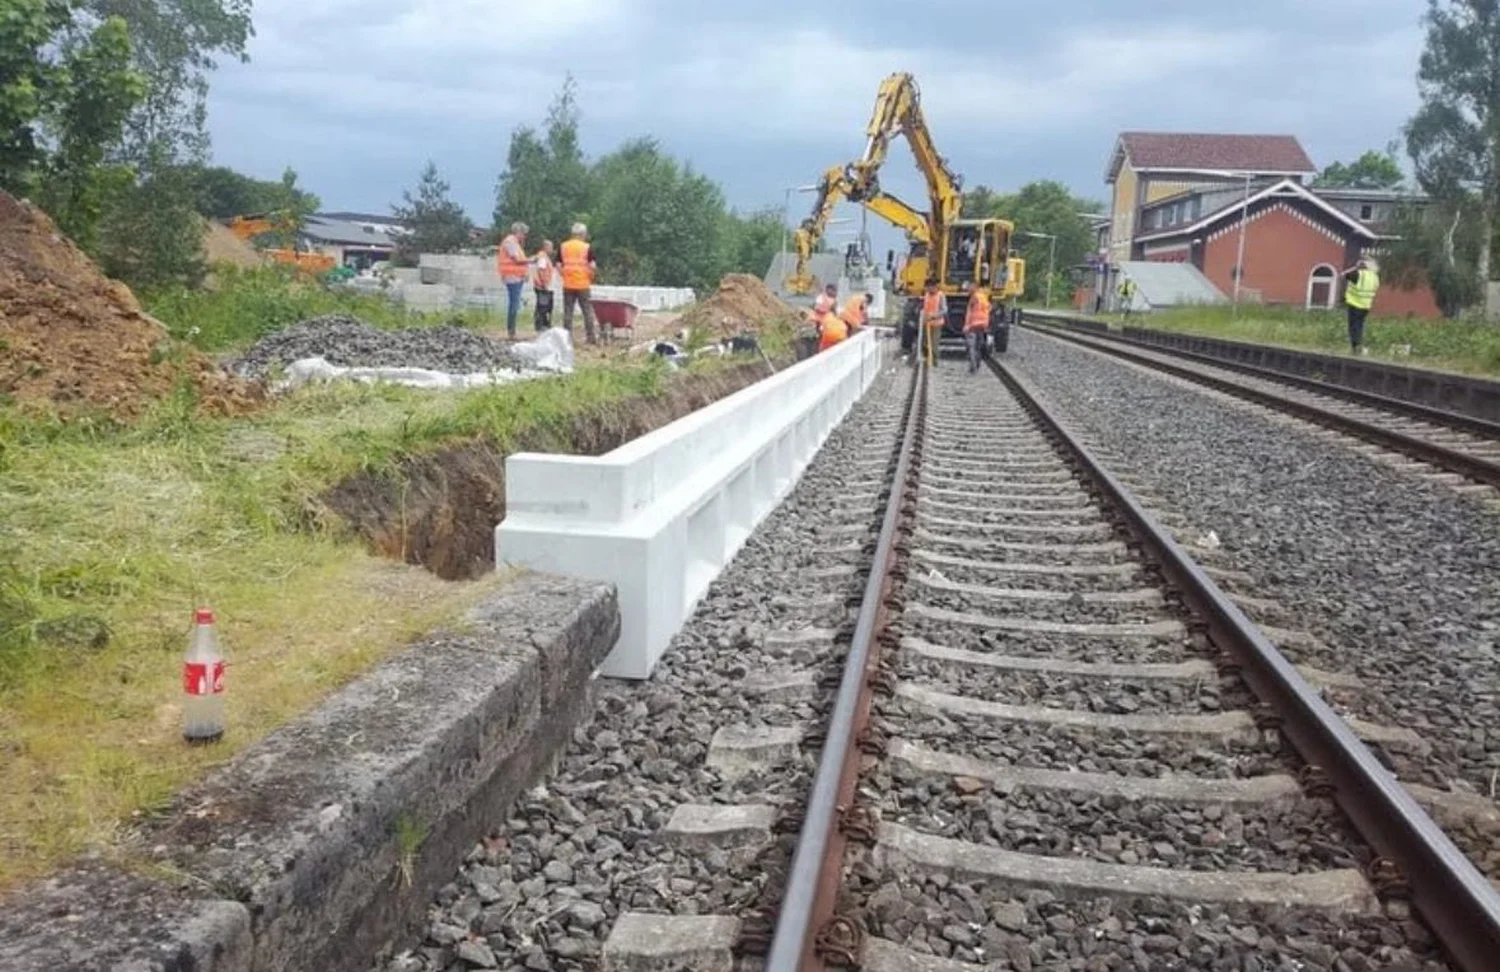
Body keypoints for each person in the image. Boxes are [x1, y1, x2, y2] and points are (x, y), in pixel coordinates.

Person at [560, 223, 598, 344]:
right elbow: (592, 265)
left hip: (568, 284)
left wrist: (564, 275)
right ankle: (591, 337)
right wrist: (591, 276)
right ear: (582, 234)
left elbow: (558, 264)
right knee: (587, 311)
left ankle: (567, 339)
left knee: (568, 312)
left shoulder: (563, 246)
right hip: (583, 284)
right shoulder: (586, 247)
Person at [497, 221, 530, 339]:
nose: (524, 236)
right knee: (514, 304)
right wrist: (532, 260)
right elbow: (517, 260)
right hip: (512, 277)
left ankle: (512, 330)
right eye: (524, 233)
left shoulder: (514, 243)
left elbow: (519, 261)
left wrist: (524, 273)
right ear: (518, 232)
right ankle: (511, 331)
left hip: (516, 276)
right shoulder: (510, 242)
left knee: (515, 303)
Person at [1343, 256, 1380, 355]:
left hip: (1355, 304)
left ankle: (1356, 348)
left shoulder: (1358, 274)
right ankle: (1358, 347)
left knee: (1353, 327)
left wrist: (1356, 267)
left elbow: (1344, 274)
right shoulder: (1375, 277)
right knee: (1360, 326)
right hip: (1366, 306)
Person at [964, 286, 992, 374]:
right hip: (983, 324)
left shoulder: (974, 297)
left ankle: (973, 365)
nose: (967, 292)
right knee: (978, 345)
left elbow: (969, 312)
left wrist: (966, 325)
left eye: (968, 290)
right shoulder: (984, 297)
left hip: (973, 324)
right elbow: (989, 308)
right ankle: (977, 362)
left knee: (971, 346)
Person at [920, 279, 947, 367]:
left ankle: (935, 361)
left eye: (929, 288)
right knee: (924, 343)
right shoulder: (927, 295)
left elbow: (944, 310)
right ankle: (927, 359)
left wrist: (934, 316)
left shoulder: (940, 295)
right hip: (926, 323)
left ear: (934, 287)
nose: (928, 290)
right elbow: (924, 307)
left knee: (934, 344)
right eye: (927, 288)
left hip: (936, 324)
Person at [532, 240, 555, 331]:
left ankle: (543, 324)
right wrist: (545, 284)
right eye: (551, 247)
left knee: (543, 306)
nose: (552, 249)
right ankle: (541, 325)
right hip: (542, 286)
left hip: (542, 285)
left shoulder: (543, 257)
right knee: (543, 307)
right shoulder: (542, 257)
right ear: (545, 247)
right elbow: (541, 270)